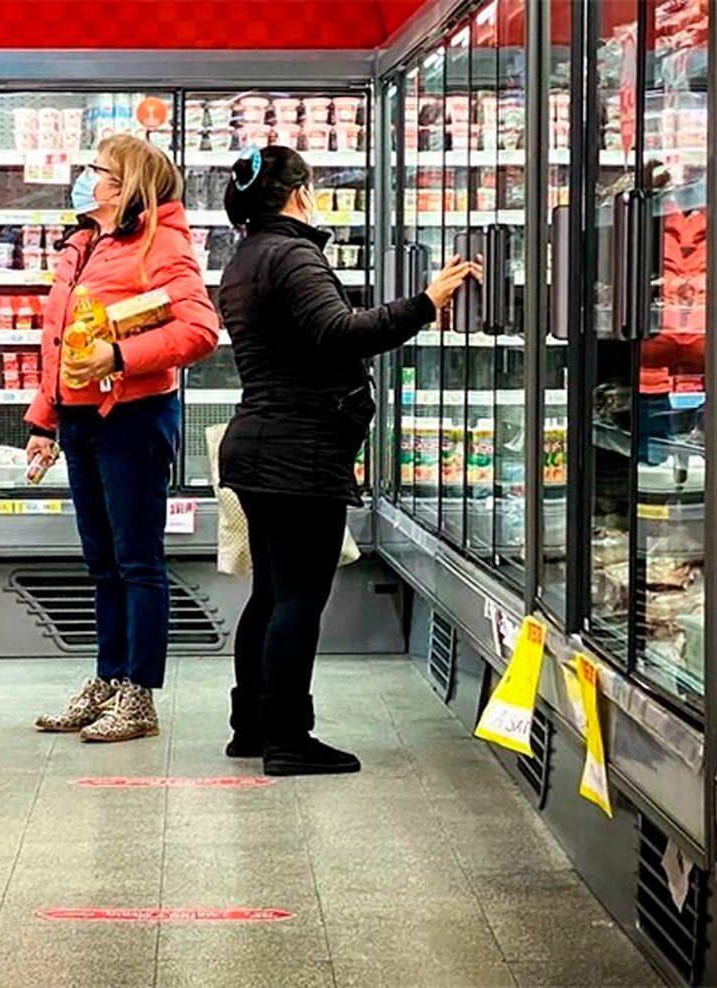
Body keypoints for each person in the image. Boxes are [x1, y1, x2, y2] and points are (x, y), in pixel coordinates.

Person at [215, 145, 478, 775]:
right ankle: (287, 739)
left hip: (260, 444)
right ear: (300, 194)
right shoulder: (294, 253)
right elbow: (339, 332)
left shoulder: (246, 257)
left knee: (271, 595)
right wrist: (425, 301)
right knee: (300, 599)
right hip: (299, 452)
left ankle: (250, 726)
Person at [27, 135, 218, 743]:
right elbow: (60, 342)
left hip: (133, 418)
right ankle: (108, 679)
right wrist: (44, 420)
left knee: (137, 561)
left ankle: (139, 693)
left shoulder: (161, 246)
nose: (86, 179)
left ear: (125, 186)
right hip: (80, 420)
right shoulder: (83, 244)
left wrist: (121, 354)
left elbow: (200, 330)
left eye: (97, 171)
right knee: (102, 563)